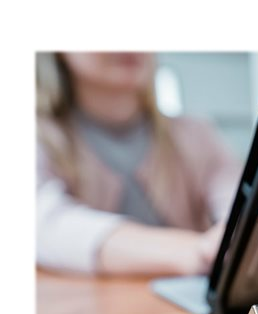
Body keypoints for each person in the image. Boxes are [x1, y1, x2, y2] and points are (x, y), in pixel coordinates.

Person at [36, 53, 242, 276]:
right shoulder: (39, 137)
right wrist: (195, 251)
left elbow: (239, 202)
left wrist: (234, 233)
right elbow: (43, 226)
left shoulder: (197, 134)